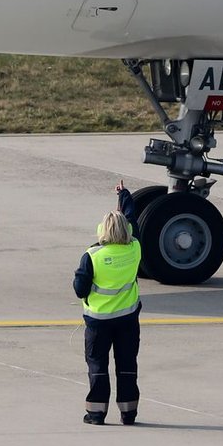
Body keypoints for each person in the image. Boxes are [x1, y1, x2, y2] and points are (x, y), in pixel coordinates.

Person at [72, 180, 142, 426]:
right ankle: (128, 413)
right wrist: (124, 195)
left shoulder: (91, 256)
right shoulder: (135, 249)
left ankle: (96, 413)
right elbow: (132, 220)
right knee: (127, 367)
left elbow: (80, 290)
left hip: (98, 322)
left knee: (98, 367)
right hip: (127, 321)